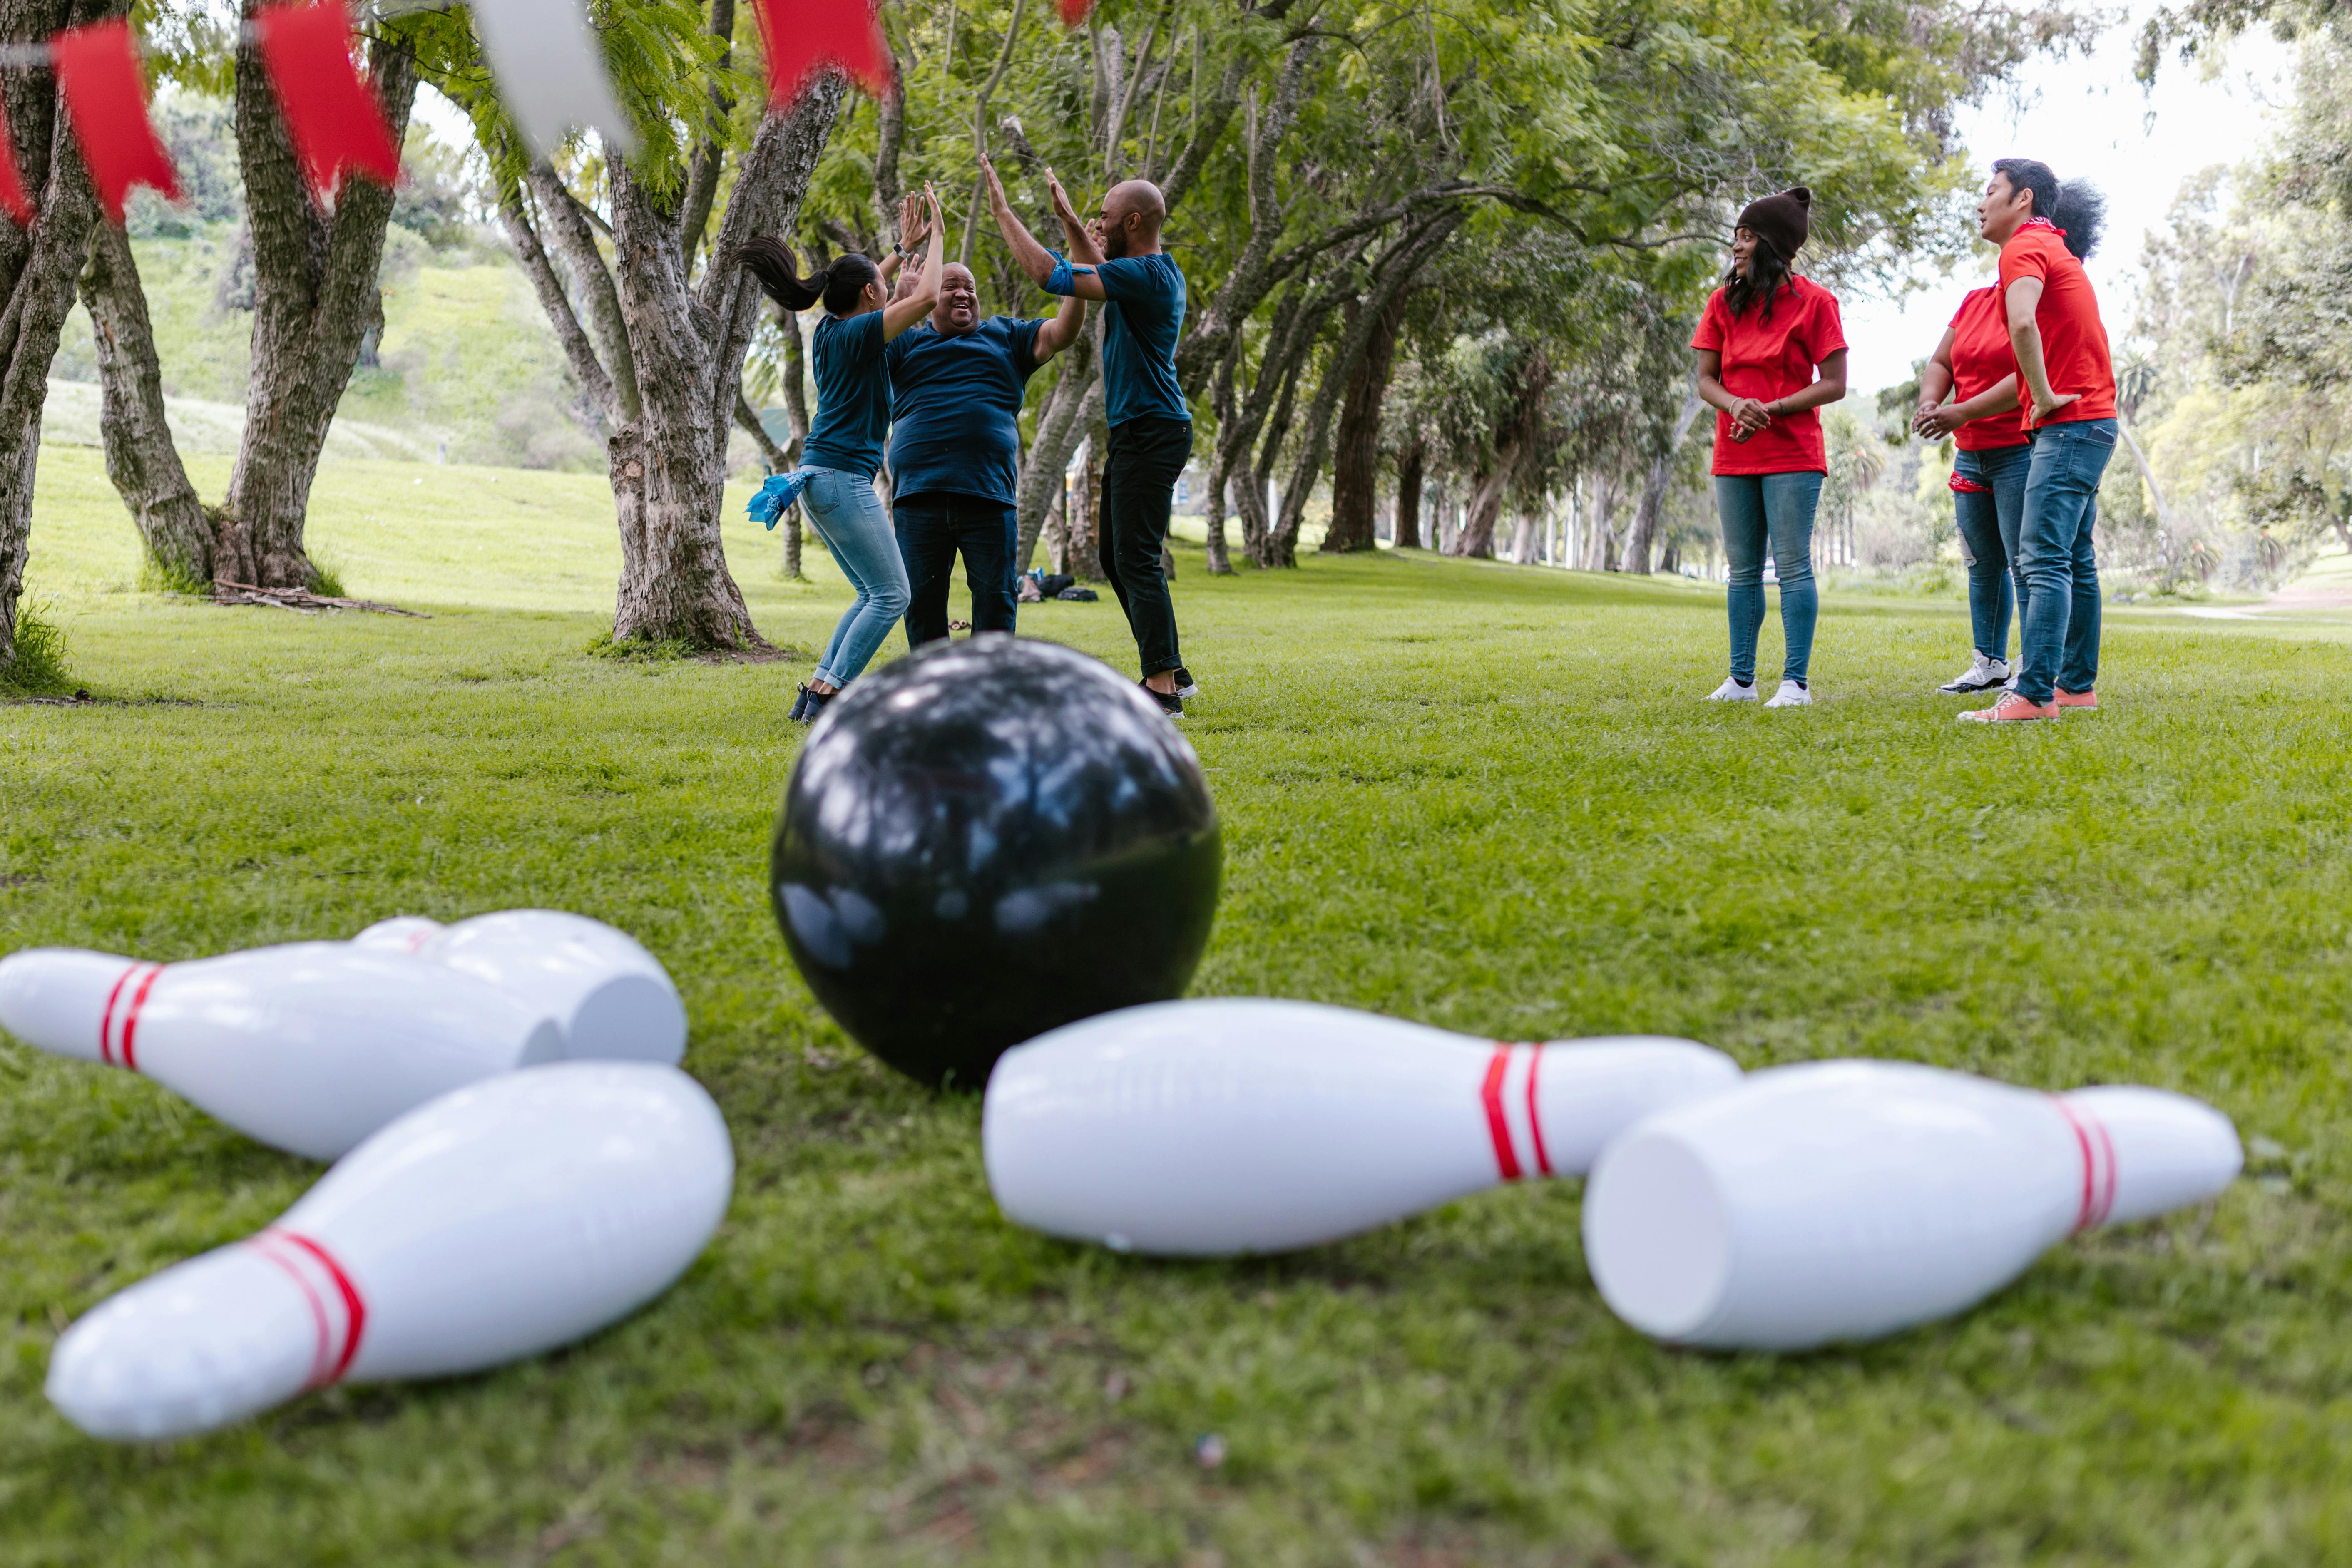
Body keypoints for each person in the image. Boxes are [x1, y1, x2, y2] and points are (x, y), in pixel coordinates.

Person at [981, 154, 1196, 717]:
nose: (1097, 223)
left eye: (1105, 216)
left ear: (1133, 223)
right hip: (1141, 429)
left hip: (1153, 428)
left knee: (1135, 555)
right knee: (1115, 552)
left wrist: (1004, 211)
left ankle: (1161, 690)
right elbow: (1090, 264)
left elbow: (1050, 275)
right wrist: (1077, 227)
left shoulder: (1147, 274)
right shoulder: (1145, 274)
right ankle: (1169, 665)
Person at [741, 186, 944, 725]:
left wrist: (899, 252)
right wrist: (937, 238)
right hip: (840, 480)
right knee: (892, 595)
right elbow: (924, 301)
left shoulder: (834, 329)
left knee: (869, 592)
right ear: (872, 297)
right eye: (881, 286)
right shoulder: (855, 333)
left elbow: (862, 287)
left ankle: (815, 694)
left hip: (822, 479)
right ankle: (832, 696)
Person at [1958, 159, 2113, 724]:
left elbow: (2021, 323)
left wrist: (2042, 396)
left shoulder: (2022, 248)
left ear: (2021, 199)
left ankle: (2034, 693)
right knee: (2073, 557)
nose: (1981, 203)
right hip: (2094, 420)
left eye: (1989, 191)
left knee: (2041, 558)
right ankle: (2075, 687)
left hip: (2069, 423)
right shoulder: (2054, 248)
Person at [884, 235, 1088, 649]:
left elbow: (1062, 333)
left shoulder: (1007, 337)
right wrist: (899, 297)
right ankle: (933, 695)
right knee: (922, 604)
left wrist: (1076, 276)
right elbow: (869, 338)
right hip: (919, 497)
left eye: (969, 288)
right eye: (950, 286)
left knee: (996, 601)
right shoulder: (905, 341)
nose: (963, 293)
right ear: (928, 297)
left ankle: (991, 694)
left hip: (988, 495)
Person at [1691, 186, 1848, 708]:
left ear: (1773, 245)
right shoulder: (1722, 302)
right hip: (1734, 448)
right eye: (1735, 236)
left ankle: (1794, 683)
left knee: (1792, 566)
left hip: (1792, 451)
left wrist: (1772, 409)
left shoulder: (1816, 302)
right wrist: (1738, 406)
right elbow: (1706, 380)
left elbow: (1834, 383)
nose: (1736, 247)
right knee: (1741, 569)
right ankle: (1740, 680)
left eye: (1747, 237)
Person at [1914, 284, 2030, 694]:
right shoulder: (1974, 300)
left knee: (2025, 563)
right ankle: (1989, 664)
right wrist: (1931, 401)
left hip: (2021, 451)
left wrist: (1959, 410)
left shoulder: (2035, 296)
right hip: (1970, 454)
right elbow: (1941, 361)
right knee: (1981, 563)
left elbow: (2028, 375)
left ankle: (2032, 668)